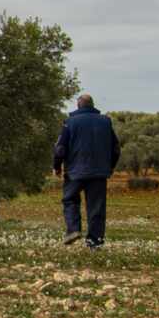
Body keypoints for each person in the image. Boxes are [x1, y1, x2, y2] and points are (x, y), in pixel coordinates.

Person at [53, 93, 119, 248]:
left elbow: (60, 148)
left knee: (70, 200)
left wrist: (57, 166)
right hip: (99, 172)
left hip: (75, 171)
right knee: (96, 207)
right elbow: (116, 149)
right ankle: (95, 243)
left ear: (78, 105)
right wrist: (110, 167)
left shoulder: (70, 122)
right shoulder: (105, 122)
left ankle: (73, 230)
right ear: (93, 105)